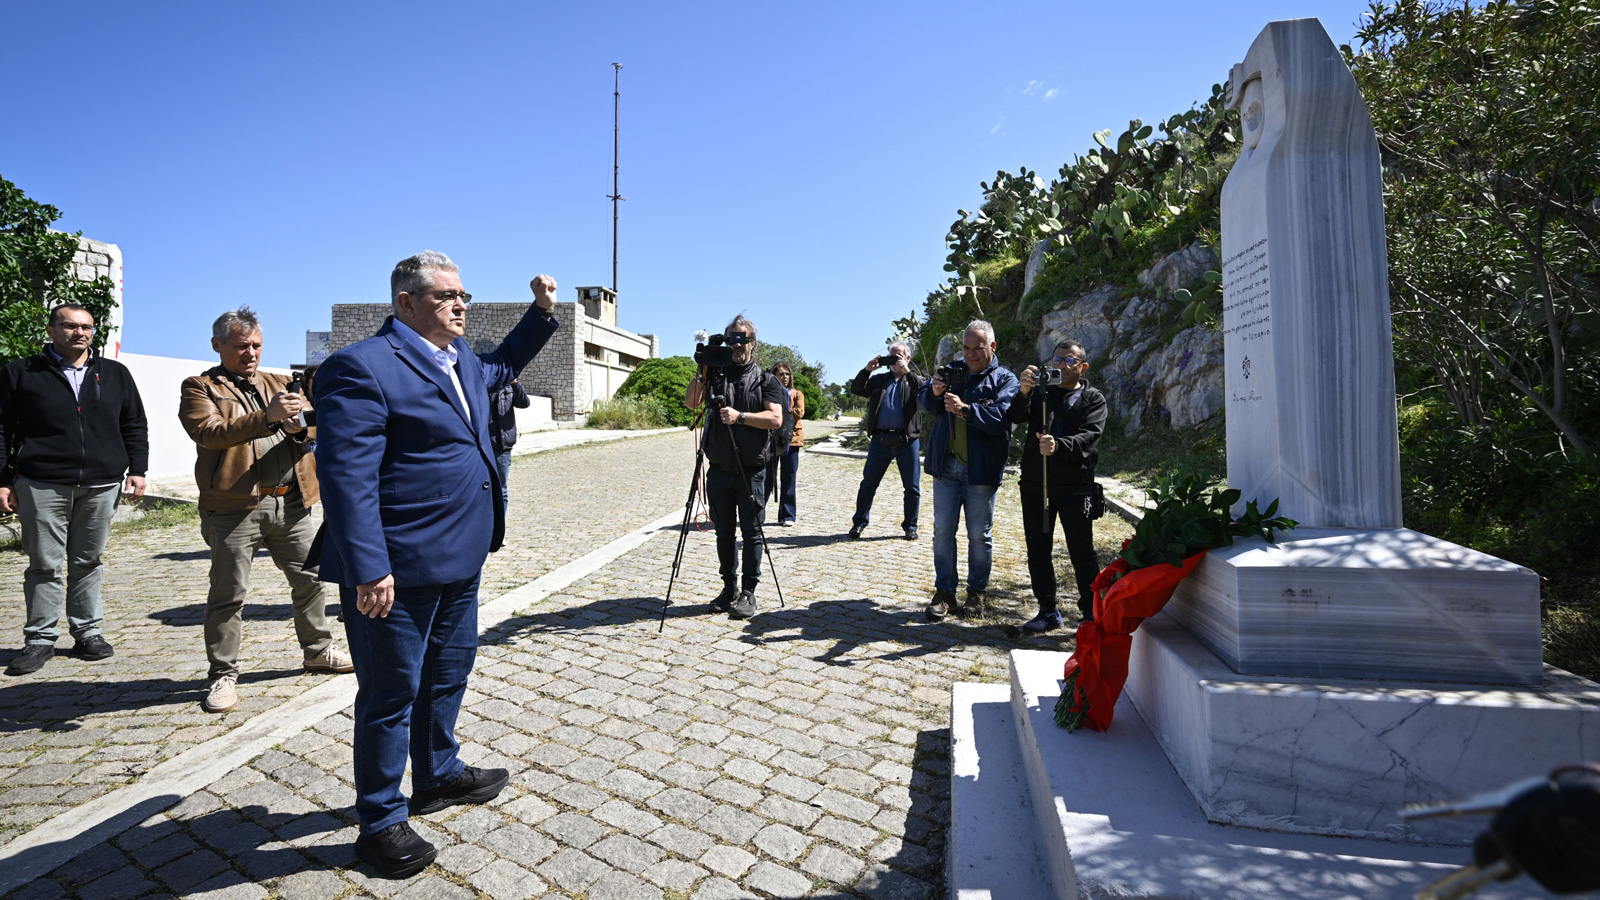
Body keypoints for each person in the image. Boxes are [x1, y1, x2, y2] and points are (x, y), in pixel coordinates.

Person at [312, 251, 560, 878]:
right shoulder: (361, 366)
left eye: (463, 294)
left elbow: (504, 364)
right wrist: (369, 568)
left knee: (448, 673)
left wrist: (541, 313)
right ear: (405, 303)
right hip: (395, 568)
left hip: (460, 556)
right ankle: (380, 820)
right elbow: (346, 478)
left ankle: (438, 773)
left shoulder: (462, 359)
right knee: (391, 692)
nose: (460, 304)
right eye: (446, 295)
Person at [179, 307, 352, 714]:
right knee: (229, 593)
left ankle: (318, 651)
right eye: (242, 346)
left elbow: (314, 428)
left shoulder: (280, 382)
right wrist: (268, 417)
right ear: (217, 345)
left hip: (291, 501)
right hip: (234, 507)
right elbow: (209, 433)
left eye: (256, 345)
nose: (251, 353)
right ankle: (223, 673)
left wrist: (299, 427)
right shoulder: (200, 387)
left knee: (311, 580)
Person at [0, 304, 147, 677]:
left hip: (101, 483)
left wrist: (138, 469)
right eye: (70, 326)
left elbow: (134, 423)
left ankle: (87, 634)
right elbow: (2, 428)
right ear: (50, 329)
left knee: (87, 561)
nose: (79, 332)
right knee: (44, 564)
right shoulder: (21, 372)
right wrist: (3, 479)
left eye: (86, 327)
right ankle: (40, 640)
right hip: (42, 482)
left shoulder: (114, 373)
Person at [684, 315, 785, 619]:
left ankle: (749, 592)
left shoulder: (766, 380)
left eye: (742, 339)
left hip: (752, 469)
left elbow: (776, 419)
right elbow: (692, 403)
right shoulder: (717, 376)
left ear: (753, 343)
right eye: (731, 340)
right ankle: (729, 588)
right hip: (719, 468)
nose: (736, 345)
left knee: (752, 533)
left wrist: (740, 417)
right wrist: (703, 370)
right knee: (724, 533)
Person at [918, 320, 1018, 621]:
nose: (971, 354)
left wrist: (965, 409)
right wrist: (935, 391)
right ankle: (945, 593)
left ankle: (976, 594)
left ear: (992, 347)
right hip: (946, 467)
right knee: (942, 531)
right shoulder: (953, 371)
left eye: (978, 348)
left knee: (979, 535)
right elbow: (925, 404)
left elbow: (1002, 418)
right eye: (966, 348)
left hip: (981, 469)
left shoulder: (1005, 379)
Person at [1007, 339, 1107, 632]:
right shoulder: (1041, 392)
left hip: (1076, 486)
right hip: (1036, 485)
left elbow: (1090, 436)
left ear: (1082, 367)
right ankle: (1047, 610)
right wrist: (1024, 392)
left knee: (1082, 551)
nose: (1061, 365)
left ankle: (1092, 613)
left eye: (1069, 360)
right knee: (1038, 550)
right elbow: (1014, 416)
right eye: (1056, 359)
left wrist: (1059, 446)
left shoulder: (1094, 399)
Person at [848, 342, 925, 541]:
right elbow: (856, 389)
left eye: (898, 356)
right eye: (891, 356)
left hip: (907, 441)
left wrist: (907, 372)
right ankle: (859, 523)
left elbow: (924, 392)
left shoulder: (914, 379)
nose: (894, 360)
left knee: (912, 487)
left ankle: (910, 526)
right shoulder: (878, 380)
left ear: (907, 358)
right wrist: (867, 370)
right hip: (880, 440)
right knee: (868, 484)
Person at [769, 362, 804, 527]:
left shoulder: (797, 394)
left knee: (789, 478)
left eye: (787, 374)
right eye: (781, 374)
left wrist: (778, 414)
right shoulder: (769, 393)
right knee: (766, 477)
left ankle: (787, 515)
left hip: (792, 439)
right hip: (772, 439)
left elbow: (799, 412)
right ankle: (758, 514)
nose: (784, 377)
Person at [488, 380, 530, 513]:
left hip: (502, 447)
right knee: (483, 488)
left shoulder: (509, 387)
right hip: (483, 446)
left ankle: (499, 523)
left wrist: (515, 383)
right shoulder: (482, 384)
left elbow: (524, 403)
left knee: (501, 490)